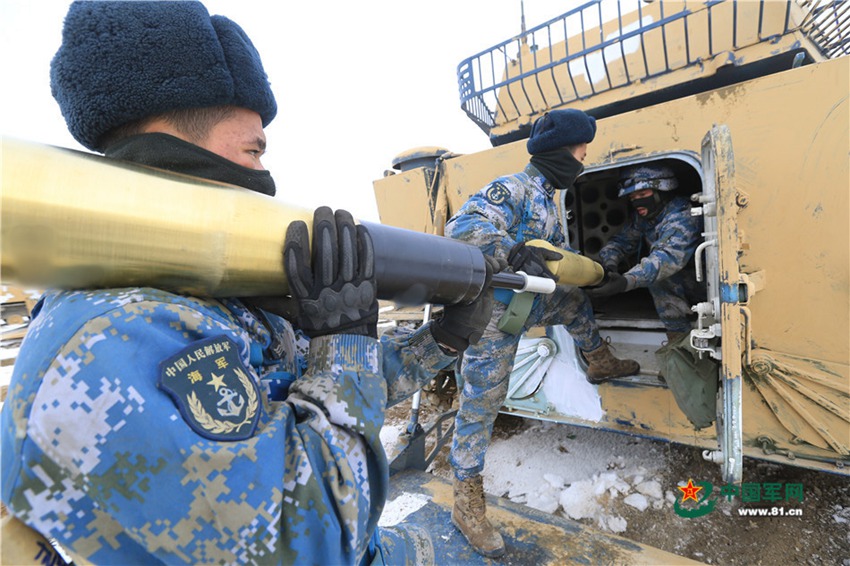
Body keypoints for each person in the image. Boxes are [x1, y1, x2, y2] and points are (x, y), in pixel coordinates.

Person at [0, 2, 496, 564]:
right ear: (171, 143)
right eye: (254, 150)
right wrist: (345, 351)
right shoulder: (107, 339)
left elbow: (306, 387)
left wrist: (442, 341)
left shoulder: (205, 290)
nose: (265, 177)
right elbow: (309, 547)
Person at [443, 109, 640, 558]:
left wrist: (595, 269)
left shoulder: (548, 199)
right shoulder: (512, 187)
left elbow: (552, 253)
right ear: (561, 151)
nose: (584, 159)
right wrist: (512, 251)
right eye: (581, 151)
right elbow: (462, 228)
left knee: (574, 301)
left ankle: (599, 359)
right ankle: (466, 502)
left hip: (527, 302)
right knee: (479, 406)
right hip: (491, 315)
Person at [588, 164, 705, 344]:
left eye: (643, 195)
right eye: (633, 197)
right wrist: (610, 264)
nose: (637, 202)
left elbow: (666, 259)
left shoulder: (682, 215)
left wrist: (627, 281)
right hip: (683, 281)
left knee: (660, 278)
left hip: (701, 285)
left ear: (663, 190)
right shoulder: (648, 216)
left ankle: (682, 343)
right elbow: (621, 241)